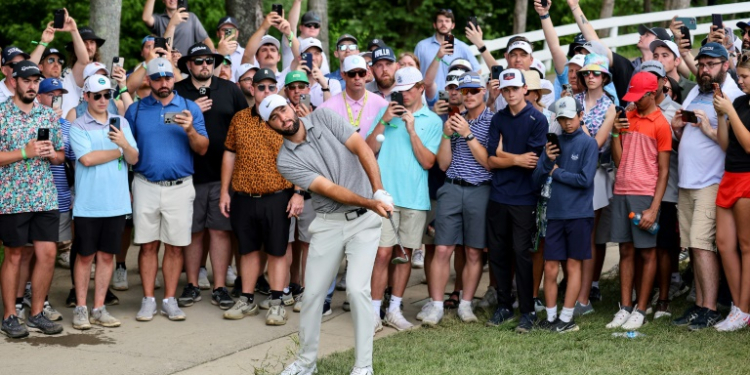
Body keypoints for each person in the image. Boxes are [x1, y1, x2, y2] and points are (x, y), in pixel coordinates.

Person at [255, 94, 391, 375]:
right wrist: (370, 202)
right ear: (271, 126)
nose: (283, 119)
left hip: (364, 222)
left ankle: (363, 366)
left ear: (291, 107)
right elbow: (330, 190)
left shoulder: (325, 117)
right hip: (329, 222)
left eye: (283, 110)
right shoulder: (285, 162)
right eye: (275, 118)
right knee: (313, 294)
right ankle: (306, 363)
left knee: (356, 290)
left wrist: (376, 190)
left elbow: (362, 149)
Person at [124, 57, 209, 322]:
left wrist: (190, 130)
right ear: (148, 80)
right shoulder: (135, 111)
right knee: (148, 245)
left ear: (175, 79)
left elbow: (203, 148)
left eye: (168, 77)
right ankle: (149, 299)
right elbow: (127, 152)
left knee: (174, 246)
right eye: (158, 78)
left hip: (180, 187)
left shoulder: (189, 108)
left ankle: (170, 299)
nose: (164, 83)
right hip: (145, 184)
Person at [219, 68, 303, 325]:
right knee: (248, 250)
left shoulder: (285, 118)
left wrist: (298, 193)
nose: (266, 92)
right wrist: (224, 191)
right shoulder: (239, 119)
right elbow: (230, 153)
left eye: (270, 87)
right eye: (261, 87)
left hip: (277, 194)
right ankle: (246, 299)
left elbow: (302, 155)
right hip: (244, 195)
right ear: (252, 89)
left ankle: (276, 303)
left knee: (277, 251)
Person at [670, 43, 743, 330]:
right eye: (701, 64)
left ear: (726, 65)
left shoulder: (733, 97)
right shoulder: (694, 92)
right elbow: (684, 137)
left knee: (702, 246)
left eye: (711, 64)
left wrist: (709, 129)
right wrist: (678, 128)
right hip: (687, 181)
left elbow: (733, 146)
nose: (704, 69)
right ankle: (700, 304)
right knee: (692, 246)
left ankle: (711, 307)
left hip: (712, 181)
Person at [366, 67, 442, 332]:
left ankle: (394, 310)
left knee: (404, 255)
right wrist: (384, 120)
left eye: (410, 89)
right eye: (401, 90)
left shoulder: (432, 121)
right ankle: (374, 312)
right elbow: (368, 150)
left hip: (414, 198)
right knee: (383, 254)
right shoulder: (386, 113)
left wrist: (411, 130)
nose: (405, 95)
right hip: (385, 196)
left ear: (421, 87)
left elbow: (427, 162)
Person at [174, 42, 249, 310]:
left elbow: (245, 125)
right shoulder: (177, 90)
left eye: (209, 61)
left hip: (223, 175)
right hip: (187, 173)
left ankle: (219, 287)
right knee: (193, 232)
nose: (205, 65)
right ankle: (192, 284)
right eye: (199, 61)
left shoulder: (229, 89)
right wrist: (191, 111)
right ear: (189, 65)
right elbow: (163, 121)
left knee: (220, 231)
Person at [69, 74, 139, 330]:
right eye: (96, 95)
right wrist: (119, 149)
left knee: (107, 257)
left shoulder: (120, 122)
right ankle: (80, 308)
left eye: (106, 95)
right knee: (85, 257)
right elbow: (86, 159)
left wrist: (124, 146)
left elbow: (134, 158)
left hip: (116, 203)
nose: (102, 100)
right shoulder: (78, 125)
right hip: (88, 204)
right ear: (86, 97)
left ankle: (99, 308)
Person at [0, 61, 65, 338]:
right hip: (13, 196)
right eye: (26, 80)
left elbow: (61, 155)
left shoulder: (48, 116)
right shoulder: (1, 114)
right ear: (13, 81)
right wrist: (23, 153)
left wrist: (52, 154)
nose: (31, 85)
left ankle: (37, 312)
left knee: (48, 254)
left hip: (44, 195)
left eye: (35, 80)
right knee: (14, 254)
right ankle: (10, 315)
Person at [422, 72, 493, 326]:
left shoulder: (493, 122)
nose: (469, 95)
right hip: (451, 187)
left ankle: (465, 304)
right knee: (442, 248)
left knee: (473, 252)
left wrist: (468, 135)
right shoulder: (455, 120)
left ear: (483, 91)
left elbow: (489, 163)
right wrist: (445, 134)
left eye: (474, 90)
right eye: (465, 91)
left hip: (480, 189)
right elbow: (442, 164)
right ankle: (437, 306)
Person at [606, 72, 671, 330]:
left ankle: (641, 310)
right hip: (622, 191)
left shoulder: (661, 124)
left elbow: (664, 171)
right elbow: (619, 162)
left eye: (637, 96)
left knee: (647, 252)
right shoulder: (627, 118)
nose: (632, 101)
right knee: (626, 250)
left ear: (651, 93)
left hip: (644, 194)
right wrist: (613, 134)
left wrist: (654, 208)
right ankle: (625, 307)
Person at [485, 68, 547, 333]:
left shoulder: (537, 119)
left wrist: (504, 156)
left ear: (525, 89)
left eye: (514, 89)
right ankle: (503, 305)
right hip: (499, 195)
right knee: (498, 252)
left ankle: (528, 310)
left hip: (524, 197)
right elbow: (490, 161)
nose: (510, 94)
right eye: (506, 89)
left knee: (522, 254)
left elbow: (531, 161)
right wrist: (514, 159)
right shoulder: (498, 119)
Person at [532, 96, 598, 333]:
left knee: (573, 266)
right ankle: (551, 318)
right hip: (555, 214)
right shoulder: (553, 143)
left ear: (580, 116)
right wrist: (547, 162)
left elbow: (584, 180)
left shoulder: (588, 144)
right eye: (562, 119)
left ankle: (567, 318)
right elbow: (536, 178)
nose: (567, 123)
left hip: (579, 214)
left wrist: (556, 172)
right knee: (550, 267)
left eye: (570, 118)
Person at [572, 54, 616, 316]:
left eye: (595, 73)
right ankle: (574, 292)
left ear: (605, 78)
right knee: (573, 235)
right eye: (587, 73)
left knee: (588, 238)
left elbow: (597, 145)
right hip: (569, 174)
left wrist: (579, 131)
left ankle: (584, 297)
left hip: (596, 176)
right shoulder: (573, 100)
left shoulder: (610, 105)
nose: (590, 76)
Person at [640, 60, 684, 319]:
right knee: (642, 245)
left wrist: (676, 131)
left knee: (665, 245)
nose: (650, 82)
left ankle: (664, 298)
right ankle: (643, 295)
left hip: (666, 188)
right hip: (639, 186)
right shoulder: (632, 109)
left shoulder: (677, 111)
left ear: (663, 81)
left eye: (655, 77)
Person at [713, 51, 750, 331]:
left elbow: (749, 144)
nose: (741, 80)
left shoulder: (737, 106)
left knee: (747, 247)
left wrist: (731, 113)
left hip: (747, 177)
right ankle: (739, 308)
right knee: (725, 245)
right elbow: (726, 144)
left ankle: (743, 309)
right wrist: (721, 116)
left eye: (746, 76)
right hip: (729, 174)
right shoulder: (737, 101)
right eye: (739, 75)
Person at [318, 55, 389, 138]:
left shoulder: (381, 104)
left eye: (361, 73)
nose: (357, 77)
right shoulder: (328, 107)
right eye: (352, 74)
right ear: (343, 75)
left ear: (367, 74)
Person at [413, 9, 481, 90]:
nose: (443, 24)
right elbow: (414, 73)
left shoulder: (463, 48)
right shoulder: (421, 46)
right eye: (440, 21)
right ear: (434, 25)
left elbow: (477, 71)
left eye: (447, 21)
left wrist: (463, 87)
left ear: (453, 25)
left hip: (455, 96)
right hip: (429, 96)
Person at [243, 10, 299, 83]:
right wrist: (263, 27)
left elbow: (300, 58)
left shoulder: (287, 76)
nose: (269, 52)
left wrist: (289, 34)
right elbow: (247, 56)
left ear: (279, 57)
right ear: (256, 57)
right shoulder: (252, 77)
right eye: (264, 50)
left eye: (273, 50)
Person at [141, 0, 214, 55]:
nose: (172, 0)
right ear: (163, 0)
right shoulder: (159, 20)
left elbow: (205, 40)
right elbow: (146, 18)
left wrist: (212, 56)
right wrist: (172, 23)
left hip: (186, 67)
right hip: (166, 66)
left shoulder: (191, 17)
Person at [282, 3, 330, 74]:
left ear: (319, 29)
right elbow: (290, 28)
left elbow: (326, 75)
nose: (312, 27)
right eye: (309, 25)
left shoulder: (320, 49)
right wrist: (298, 1)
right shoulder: (291, 42)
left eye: (316, 25)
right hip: (290, 84)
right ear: (300, 27)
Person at [297, 38, 341, 107]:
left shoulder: (333, 83)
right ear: (300, 58)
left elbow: (333, 113)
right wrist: (297, 78)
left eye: (316, 53)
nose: (313, 58)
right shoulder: (293, 83)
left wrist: (325, 86)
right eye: (308, 54)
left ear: (321, 58)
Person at [650, 39, 695, 103]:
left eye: (665, 55)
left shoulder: (693, 89)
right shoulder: (650, 90)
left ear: (677, 61)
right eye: (655, 56)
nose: (659, 60)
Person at [214, 16, 244, 82]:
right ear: (217, 33)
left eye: (231, 30)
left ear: (237, 33)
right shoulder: (211, 55)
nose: (228, 32)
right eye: (224, 30)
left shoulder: (245, 54)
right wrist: (219, 53)